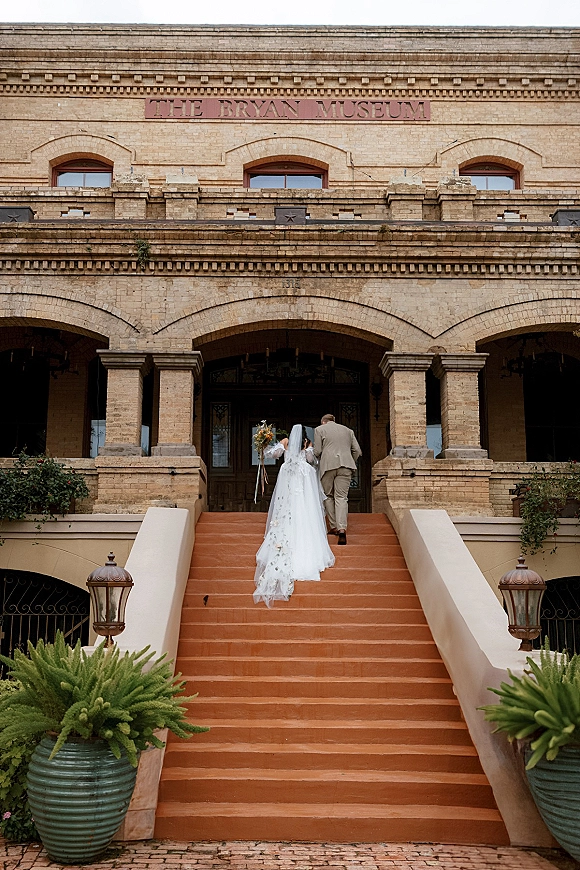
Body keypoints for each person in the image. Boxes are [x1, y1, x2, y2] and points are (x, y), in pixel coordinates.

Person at [254, 424, 335, 608]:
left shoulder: (285, 441)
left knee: (286, 508)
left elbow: (272, 455)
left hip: (289, 477)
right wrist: (307, 449)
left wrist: (264, 445)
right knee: (305, 509)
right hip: (302, 477)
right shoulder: (308, 444)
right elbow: (311, 460)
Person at [313, 414, 362, 546]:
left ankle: (333, 526)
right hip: (346, 466)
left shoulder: (319, 429)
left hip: (328, 466)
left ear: (324, 422)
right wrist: (350, 460)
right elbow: (357, 450)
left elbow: (317, 451)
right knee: (341, 497)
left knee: (328, 495)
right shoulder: (348, 431)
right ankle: (342, 529)